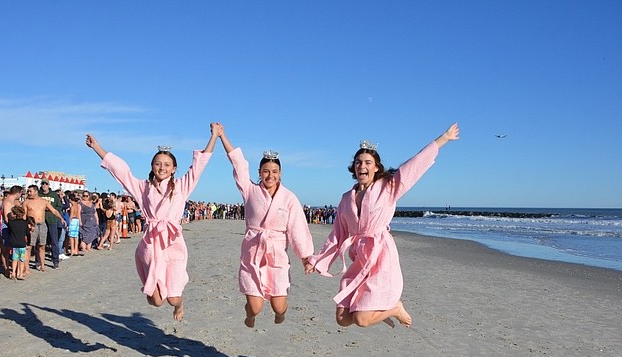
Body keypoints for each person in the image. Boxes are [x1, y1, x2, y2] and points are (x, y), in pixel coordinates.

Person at [307, 123, 460, 328]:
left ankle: (395, 308)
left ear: (376, 167)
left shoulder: (389, 187)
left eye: (368, 162)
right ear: (353, 167)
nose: (363, 166)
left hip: (381, 256)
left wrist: (443, 139)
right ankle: (381, 310)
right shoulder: (346, 199)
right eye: (358, 162)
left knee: (361, 320)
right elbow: (338, 234)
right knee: (342, 319)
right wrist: (317, 261)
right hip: (360, 258)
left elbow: (414, 166)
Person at [85, 123, 220, 321]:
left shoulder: (182, 186)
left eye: (166, 165)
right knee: (156, 301)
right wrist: (97, 148)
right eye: (158, 163)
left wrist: (214, 136)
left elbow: (199, 166)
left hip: (173, 243)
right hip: (151, 244)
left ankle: (179, 306)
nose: (162, 168)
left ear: (174, 169)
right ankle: (152, 286)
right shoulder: (143, 187)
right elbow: (122, 173)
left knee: (173, 298)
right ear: (152, 166)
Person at [217, 126, 314, 328]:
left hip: (276, 257)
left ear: (280, 173)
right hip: (253, 255)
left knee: (279, 307)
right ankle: (250, 316)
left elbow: (297, 228)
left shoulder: (289, 198)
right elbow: (238, 164)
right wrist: (222, 136)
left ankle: (281, 314)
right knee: (255, 307)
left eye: (275, 171)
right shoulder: (250, 190)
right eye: (266, 171)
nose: (270, 175)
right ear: (259, 173)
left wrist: (305, 258)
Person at [23, 185, 66, 272]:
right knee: (30, 246)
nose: (28, 193)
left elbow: (53, 210)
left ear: (36, 191)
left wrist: (61, 218)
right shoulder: (26, 202)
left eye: (30, 191)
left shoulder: (43, 201)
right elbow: (24, 215)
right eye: (28, 191)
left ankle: (42, 266)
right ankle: (26, 268)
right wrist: (26, 225)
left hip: (42, 224)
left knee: (42, 245)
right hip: (32, 225)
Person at [37, 179, 64, 269]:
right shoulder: (38, 195)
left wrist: (50, 209)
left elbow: (59, 207)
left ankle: (55, 260)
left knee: (54, 241)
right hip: (41, 220)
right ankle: (38, 261)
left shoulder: (54, 195)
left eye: (46, 184)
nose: (44, 185)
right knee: (40, 241)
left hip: (52, 220)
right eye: (43, 184)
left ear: (49, 185)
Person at [7, 205, 30, 280]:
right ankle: (19, 274)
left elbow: (9, 233)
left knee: (14, 259)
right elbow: (28, 233)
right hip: (22, 244)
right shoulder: (24, 223)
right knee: (22, 259)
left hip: (14, 243)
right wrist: (28, 243)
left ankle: (13, 273)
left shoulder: (11, 223)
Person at [67, 190, 82, 256]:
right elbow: (78, 214)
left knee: (71, 236)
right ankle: (76, 250)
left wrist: (68, 224)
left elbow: (71, 216)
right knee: (76, 236)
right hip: (77, 221)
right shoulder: (78, 205)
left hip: (73, 221)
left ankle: (72, 250)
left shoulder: (72, 207)